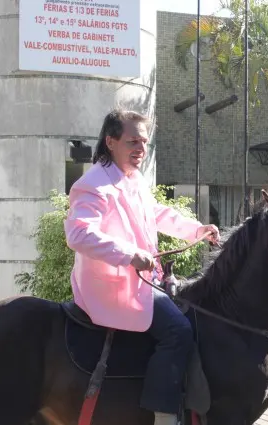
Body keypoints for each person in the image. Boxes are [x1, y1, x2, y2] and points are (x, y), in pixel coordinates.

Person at [64, 110, 220, 425]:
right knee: (178, 330)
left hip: (143, 279)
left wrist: (197, 229)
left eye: (144, 142)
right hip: (114, 287)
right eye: (132, 141)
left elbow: (158, 213)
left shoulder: (132, 179)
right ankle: (164, 418)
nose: (141, 149)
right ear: (110, 141)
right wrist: (129, 254)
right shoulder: (92, 184)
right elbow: (77, 234)